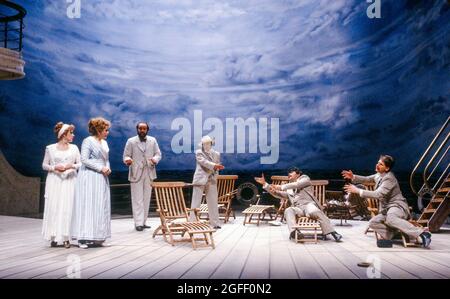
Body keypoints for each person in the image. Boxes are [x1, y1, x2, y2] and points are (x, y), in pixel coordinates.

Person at [342, 154, 432, 248]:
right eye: (378, 162)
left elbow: (378, 194)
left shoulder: (389, 178)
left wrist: (357, 190)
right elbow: (367, 179)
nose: (377, 165)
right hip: (386, 210)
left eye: (380, 164)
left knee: (391, 219)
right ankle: (394, 234)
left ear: (387, 168)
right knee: (373, 222)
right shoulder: (378, 175)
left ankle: (423, 234)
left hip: (397, 206)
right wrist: (353, 177)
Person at [255, 167, 342, 242]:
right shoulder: (290, 190)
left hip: (308, 205)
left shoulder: (305, 179)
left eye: (291, 172)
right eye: (288, 173)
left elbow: (297, 184)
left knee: (313, 210)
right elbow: (277, 193)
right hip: (298, 209)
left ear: (298, 174)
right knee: (288, 210)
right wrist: (265, 184)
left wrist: (281, 187)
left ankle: (333, 233)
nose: (289, 174)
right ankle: (294, 232)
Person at [71, 117, 112, 249]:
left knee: (100, 205)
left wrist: (107, 167)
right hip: (89, 176)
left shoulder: (104, 143)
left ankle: (99, 236)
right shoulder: (88, 141)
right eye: (105, 130)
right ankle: (83, 237)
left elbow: (106, 159)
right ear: (99, 130)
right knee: (87, 205)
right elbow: (84, 159)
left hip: (101, 177)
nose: (107, 132)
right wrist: (100, 168)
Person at [42, 122, 81, 248]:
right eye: (71, 133)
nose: (73, 135)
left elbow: (81, 163)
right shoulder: (50, 148)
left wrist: (72, 166)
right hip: (55, 180)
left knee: (67, 207)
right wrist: (54, 167)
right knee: (55, 207)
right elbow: (44, 165)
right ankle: (53, 236)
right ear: (64, 134)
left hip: (70, 180)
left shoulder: (74, 148)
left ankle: (66, 237)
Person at [123, 122, 161, 231]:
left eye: (144, 129)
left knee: (146, 198)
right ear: (137, 129)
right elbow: (126, 155)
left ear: (147, 130)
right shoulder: (131, 141)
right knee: (137, 199)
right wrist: (127, 160)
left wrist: (155, 160)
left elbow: (158, 154)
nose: (142, 130)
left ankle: (144, 221)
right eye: (140, 128)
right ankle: (138, 223)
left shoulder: (152, 140)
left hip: (149, 171)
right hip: (136, 172)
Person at [190, 136, 224, 229]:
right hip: (200, 179)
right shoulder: (198, 153)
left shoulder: (216, 154)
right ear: (202, 144)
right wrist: (215, 166)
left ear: (211, 144)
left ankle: (215, 223)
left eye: (208, 143)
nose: (206, 145)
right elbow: (204, 162)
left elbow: (217, 166)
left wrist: (215, 173)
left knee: (213, 201)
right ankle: (192, 222)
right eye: (204, 144)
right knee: (196, 201)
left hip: (211, 180)